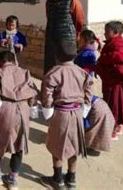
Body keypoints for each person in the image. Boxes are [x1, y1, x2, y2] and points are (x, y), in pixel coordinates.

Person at [40, 40, 92, 190]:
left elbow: (47, 94)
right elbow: (89, 90)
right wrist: (85, 108)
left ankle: (57, 179)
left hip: (61, 113)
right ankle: (71, 179)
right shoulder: (81, 72)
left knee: (57, 146)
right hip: (77, 113)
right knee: (75, 146)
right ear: (74, 55)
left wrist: (48, 112)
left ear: (57, 56)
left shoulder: (54, 72)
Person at [0, 51, 38, 188]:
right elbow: (33, 92)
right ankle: (13, 179)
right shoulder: (25, 72)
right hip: (23, 109)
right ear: (15, 60)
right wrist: (32, 109)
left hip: (6, 109)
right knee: (19, 144)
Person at [44, 0, 85, 75]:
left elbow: (79, 20)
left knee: (66, 68)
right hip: (52, 39)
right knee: (51, 66)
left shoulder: (73, 1)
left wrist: (76, 35)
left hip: (67, 40)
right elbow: (49, 18)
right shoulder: (49, 1)